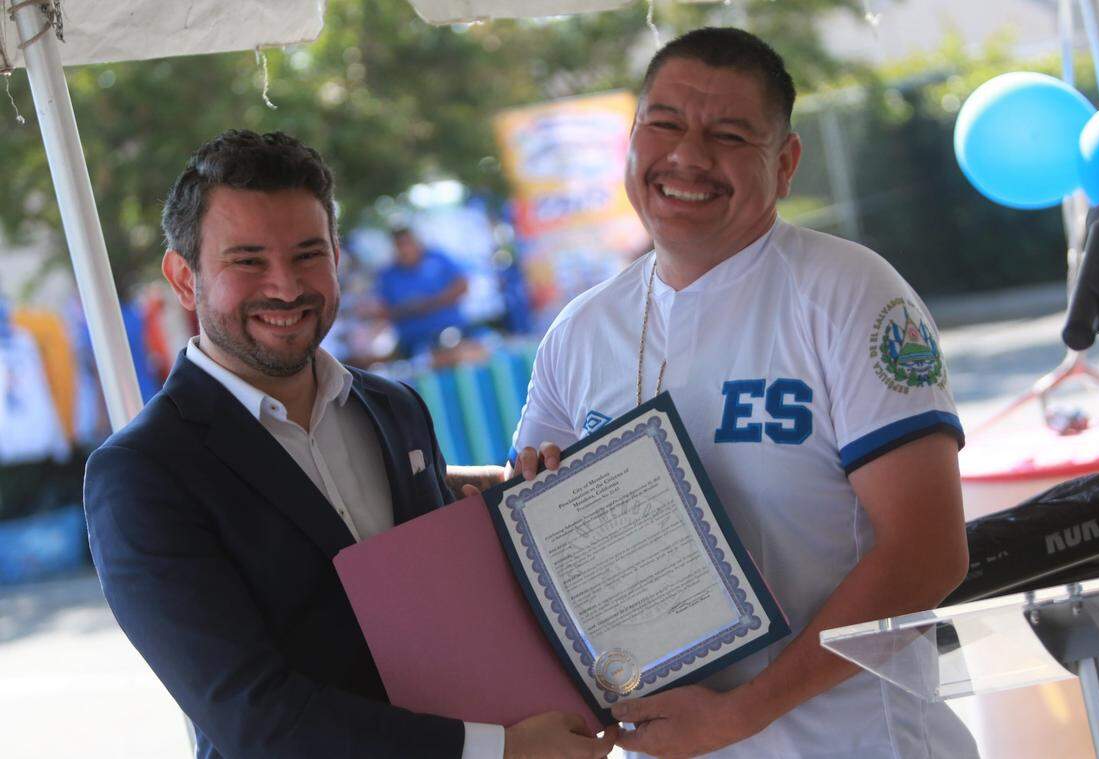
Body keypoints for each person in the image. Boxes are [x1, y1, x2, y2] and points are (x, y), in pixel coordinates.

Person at [510, 28, 978, 759]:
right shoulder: (579, 332)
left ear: (784, 163)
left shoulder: (851, 294)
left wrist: (740, 715)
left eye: (729, 135)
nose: (688, 157)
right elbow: (537, 562)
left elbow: (927, 553)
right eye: (664, 124)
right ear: (630, 139)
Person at [83, 130, 615, 759]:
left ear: (336, 256)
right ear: (183, 277)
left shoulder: (394, 408)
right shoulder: (142, 473)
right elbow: (255, 720)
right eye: (248, 261)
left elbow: (443, 603)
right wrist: (499, 750)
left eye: (308, 254)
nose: (286, 287)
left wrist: (531, 503)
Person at [374, 227, 468, 356]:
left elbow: (463, 286)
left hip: (454, 333)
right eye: (400, 245)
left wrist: (430, 303)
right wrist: (408, 309)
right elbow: (383, 312)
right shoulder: (388, 276)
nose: (405, 249)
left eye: (408, 243)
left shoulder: (438, 259)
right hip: (415, 345)